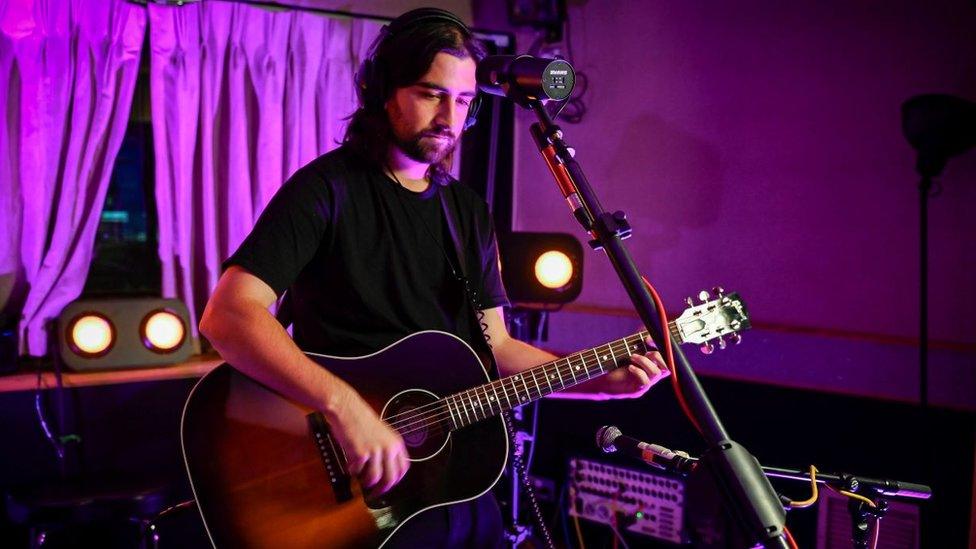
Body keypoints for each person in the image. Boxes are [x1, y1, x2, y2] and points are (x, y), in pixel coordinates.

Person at [198, 7, 669, 548]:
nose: (451, 116)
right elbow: (228, 316)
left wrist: (600, 384)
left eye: (464, 100)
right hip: (355, 490)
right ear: (383, 92)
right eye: (431, 94)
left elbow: (497, 349)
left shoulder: (465, 211)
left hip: (456, 485)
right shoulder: (325, 191)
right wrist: (346, 406)